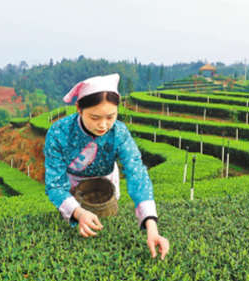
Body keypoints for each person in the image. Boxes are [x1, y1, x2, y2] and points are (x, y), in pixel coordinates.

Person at [44, 73, 169, 260]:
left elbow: (137, 174)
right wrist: (77, 211)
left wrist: (151, 226)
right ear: (79, 108)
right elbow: (54, 183)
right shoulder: (59, 132)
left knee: (109, 222)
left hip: (107, 180)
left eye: (111, 117)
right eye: (95, 117)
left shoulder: (119, 133)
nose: (103, 125)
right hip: (72, 184)